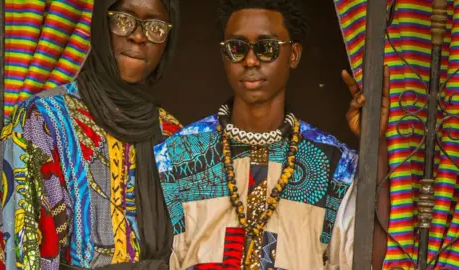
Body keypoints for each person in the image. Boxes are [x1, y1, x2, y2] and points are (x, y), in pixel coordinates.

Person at [154, 0, 390, 269]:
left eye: (266, 48)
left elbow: (366, 259)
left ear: (294, 55)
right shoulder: (177, 156)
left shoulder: (333, 163)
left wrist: (376, 141)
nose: (251, 60)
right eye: (236, 48)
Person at [0, 0, 181, 269]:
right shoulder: (41, 122)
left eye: (155, 27)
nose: (138, 36)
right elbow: (18, 255)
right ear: (101, 25)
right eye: (123, 20)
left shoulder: (176, 138)